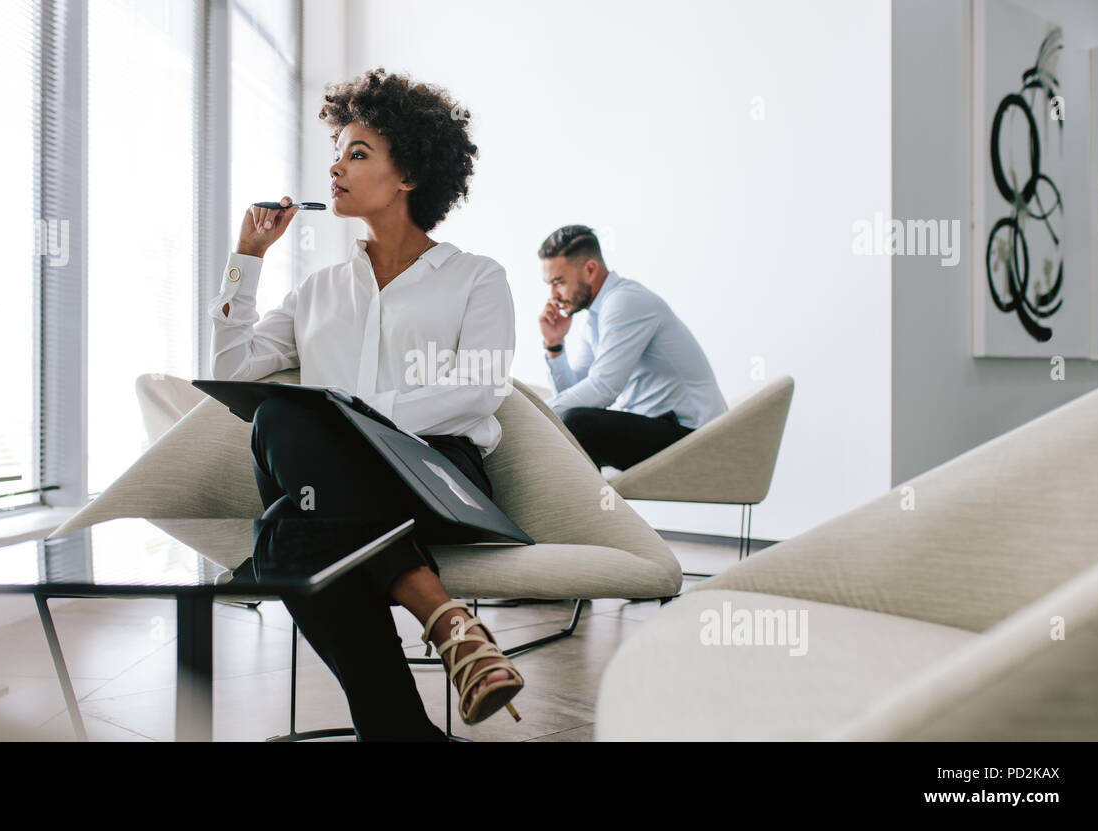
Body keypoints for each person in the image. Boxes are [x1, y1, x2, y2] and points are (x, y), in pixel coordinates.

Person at [208, 68, 523, 741]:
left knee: (283, 532)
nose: (336, 168)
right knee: (278, 421)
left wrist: (355, 416)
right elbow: (231, 367)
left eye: (358, 153)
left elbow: (481, 388)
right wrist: (248, 258)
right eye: (337, 153)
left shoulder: (477, 277)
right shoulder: (315, 291)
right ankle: (445, 628)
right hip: (337, 488)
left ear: (407, 173)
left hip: (439, 475)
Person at [537, 225, 728, 470]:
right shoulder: (596, 317)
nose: (553, 295)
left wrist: (538, 414)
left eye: (558, 282)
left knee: (577, 423)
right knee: (572, 420)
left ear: (590, 270)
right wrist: (554, 345)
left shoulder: (624, 302)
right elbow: (576, 393)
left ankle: (583, 508)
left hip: (695, 436)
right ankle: (573, 506)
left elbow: (604, 389)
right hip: (659, 427)